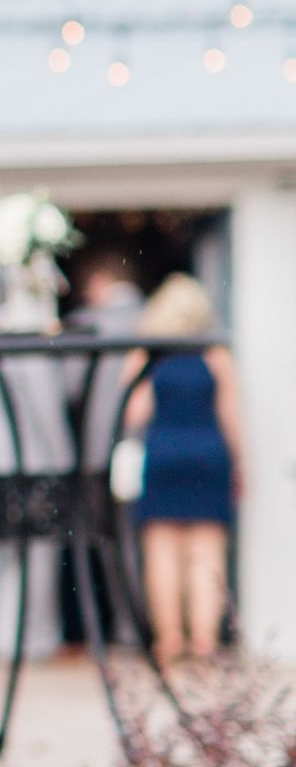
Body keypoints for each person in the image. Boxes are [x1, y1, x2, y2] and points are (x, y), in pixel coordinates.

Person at [121, 273, 245, 664]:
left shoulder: (147, 355)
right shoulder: (216, 355)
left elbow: (133, 414)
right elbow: (231, 418)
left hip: (163, 454)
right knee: (206, 552)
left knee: (161, 551)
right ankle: (205, 641)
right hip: (208, 454)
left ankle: (169, 639)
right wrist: (242, 464)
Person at [58, 248, 146, 654]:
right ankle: (148, 627)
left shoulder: (86, 325)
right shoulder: (155, 318)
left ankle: (122, 628)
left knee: (109, 541)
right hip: (149, 443)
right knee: (146, 538)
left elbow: (68, 388)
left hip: (101, 450)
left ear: (98, 285)